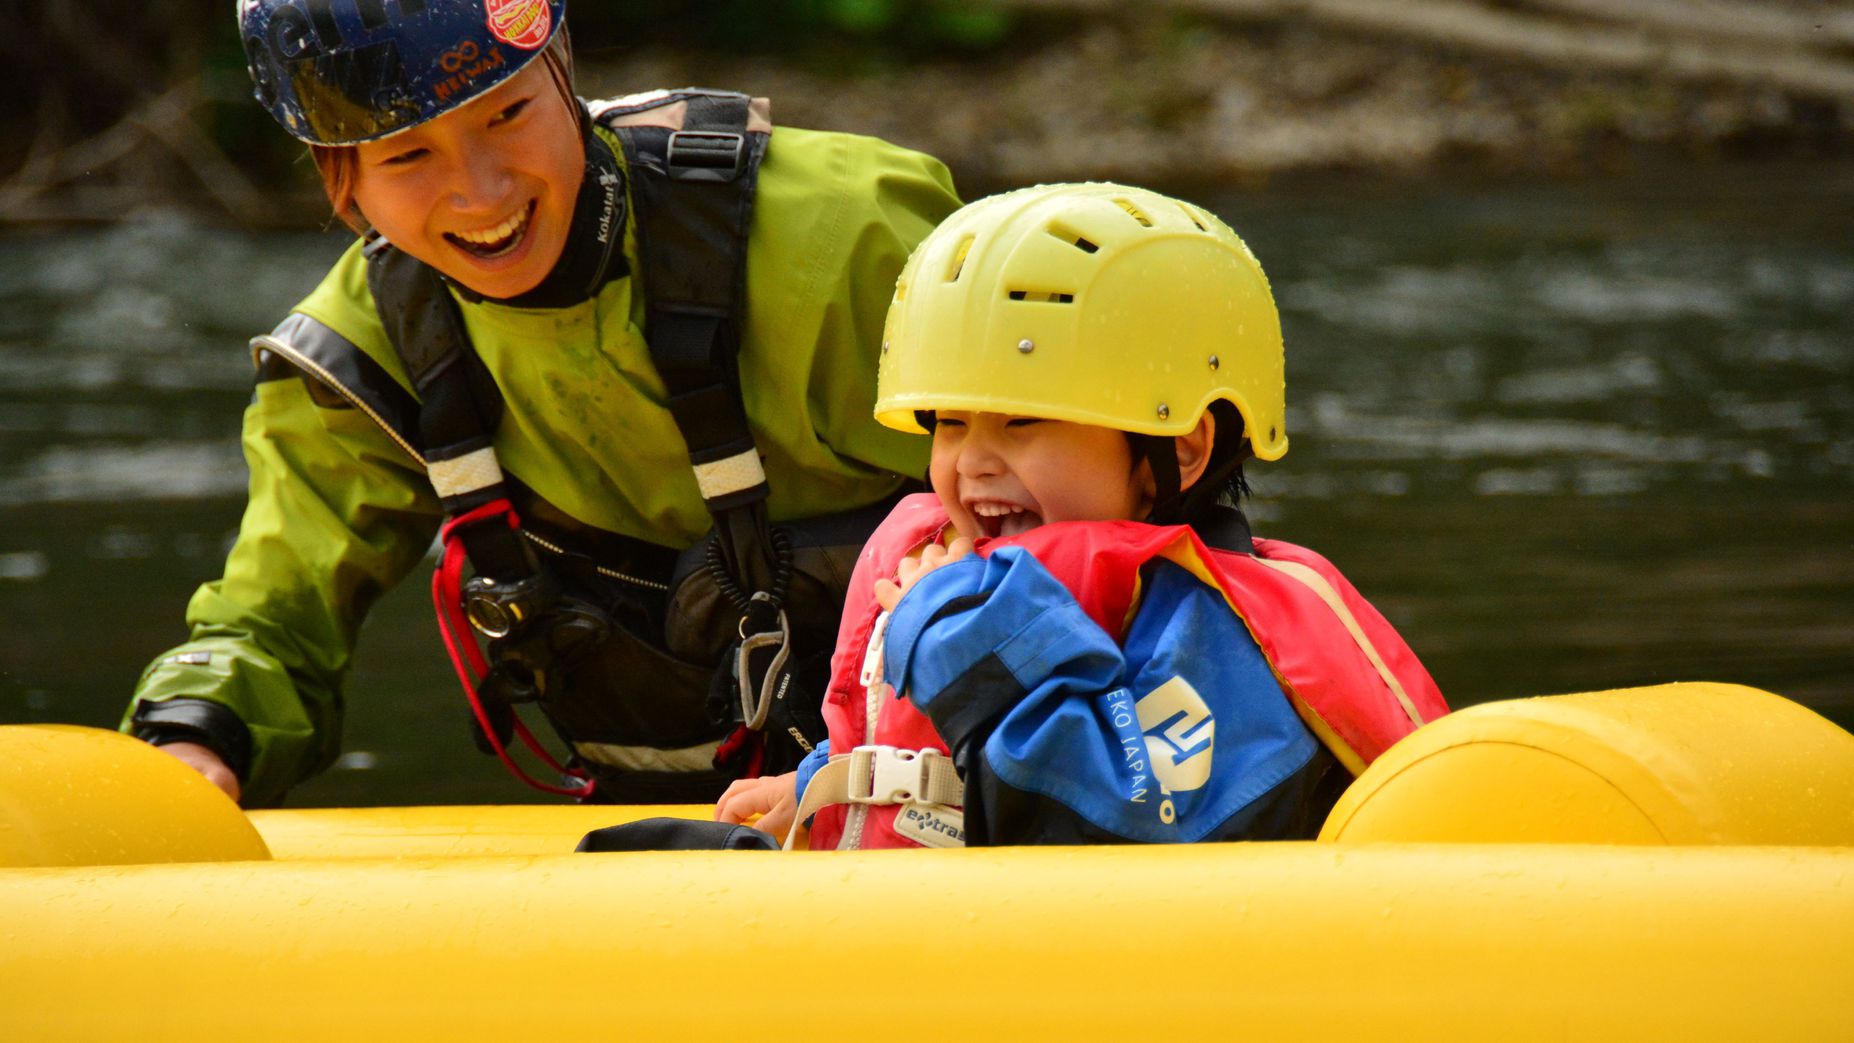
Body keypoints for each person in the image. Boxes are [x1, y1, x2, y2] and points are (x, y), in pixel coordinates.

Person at [119, 0, 961, 806]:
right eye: (408, 157)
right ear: (344, 185)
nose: (480, 193)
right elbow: (272, 621)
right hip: (660, 833)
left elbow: (1074, 518)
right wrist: (195, 738)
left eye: (507, 116)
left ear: (562, 71)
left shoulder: (848, 242)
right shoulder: (361, 355)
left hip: (933, 800)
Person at [715, 182, 1448, 848]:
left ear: (1181, 451)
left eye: (1023, 421)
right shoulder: (946, 568)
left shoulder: (1224, 630)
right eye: (950, 422)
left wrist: (971, 644)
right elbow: (926, 757)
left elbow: (1129, 821)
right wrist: (830, 781)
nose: (972, 462)